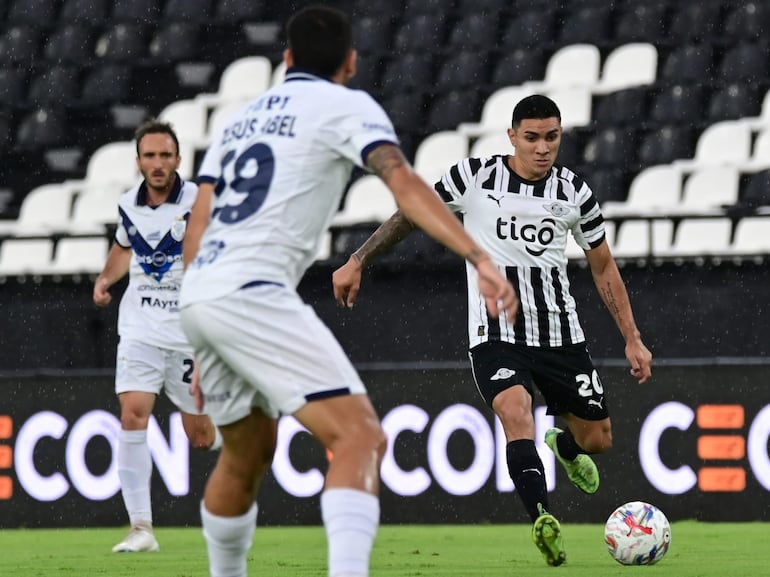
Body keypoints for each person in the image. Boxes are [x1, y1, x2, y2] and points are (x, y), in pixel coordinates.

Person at [178, 6, 517, 577]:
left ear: (286, 60)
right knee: (360, 436)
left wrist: (199, 336)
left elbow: (199, 223)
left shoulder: (237, 122)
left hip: (202, 295)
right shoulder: (346, 105)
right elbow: (404, 182)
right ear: (351, 62)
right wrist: (478, 254)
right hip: (254, 291)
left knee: (247, 451)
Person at [332, 94, 653, 567]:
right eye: (532, 138)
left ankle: (562, 444)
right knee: (514, 408)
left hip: (560, 335)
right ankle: (542, 516)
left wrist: (632, 337)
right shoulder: (474, 178)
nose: (542, 148)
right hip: (496, 332)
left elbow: (603, 268)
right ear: (511, 137)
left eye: (552, 137)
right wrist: (359, 259)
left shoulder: (574, 193)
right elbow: (413, 211)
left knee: (598, 440)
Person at [93, 119, 221, 553]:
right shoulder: (128, 204)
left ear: (178, 160)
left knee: (201, 439)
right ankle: (141, 528)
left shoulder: (200, 201)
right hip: (141, 328)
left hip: (187, 333)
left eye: (165, 155)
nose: (158, 163)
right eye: (150, 155)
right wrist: (106, 279)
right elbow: (123, 247)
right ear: (138, 161)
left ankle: (232, 418)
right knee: (133, 413)